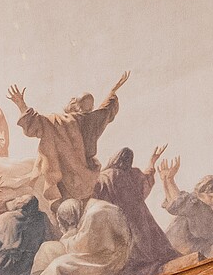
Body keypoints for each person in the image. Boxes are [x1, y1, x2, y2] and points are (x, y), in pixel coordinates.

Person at [8, 73, 127, 208]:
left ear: (74, 105)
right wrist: (113, 91)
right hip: (87, 179)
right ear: (91, 108)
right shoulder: (94, 119)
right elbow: (107, 110)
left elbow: (37, 123)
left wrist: (21, 104)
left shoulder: (60, 122)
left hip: (65, 181)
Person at [90, 147, 177, 275]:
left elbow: (97, 195)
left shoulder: (107, 176)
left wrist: (152, 161)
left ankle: (139, 265)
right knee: (144, 239)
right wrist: (152, 162)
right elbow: (146, 180)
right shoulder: (129, 174)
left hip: (126, 217)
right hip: (138, 216)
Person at [31, 197, 133, 275]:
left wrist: (66, 239)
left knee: (58, 265)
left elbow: (83, 247)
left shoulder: (96, 213)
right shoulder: (92, 208)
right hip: (103, 252)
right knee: (50, 251)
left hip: (108, 259)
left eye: (70, 223)